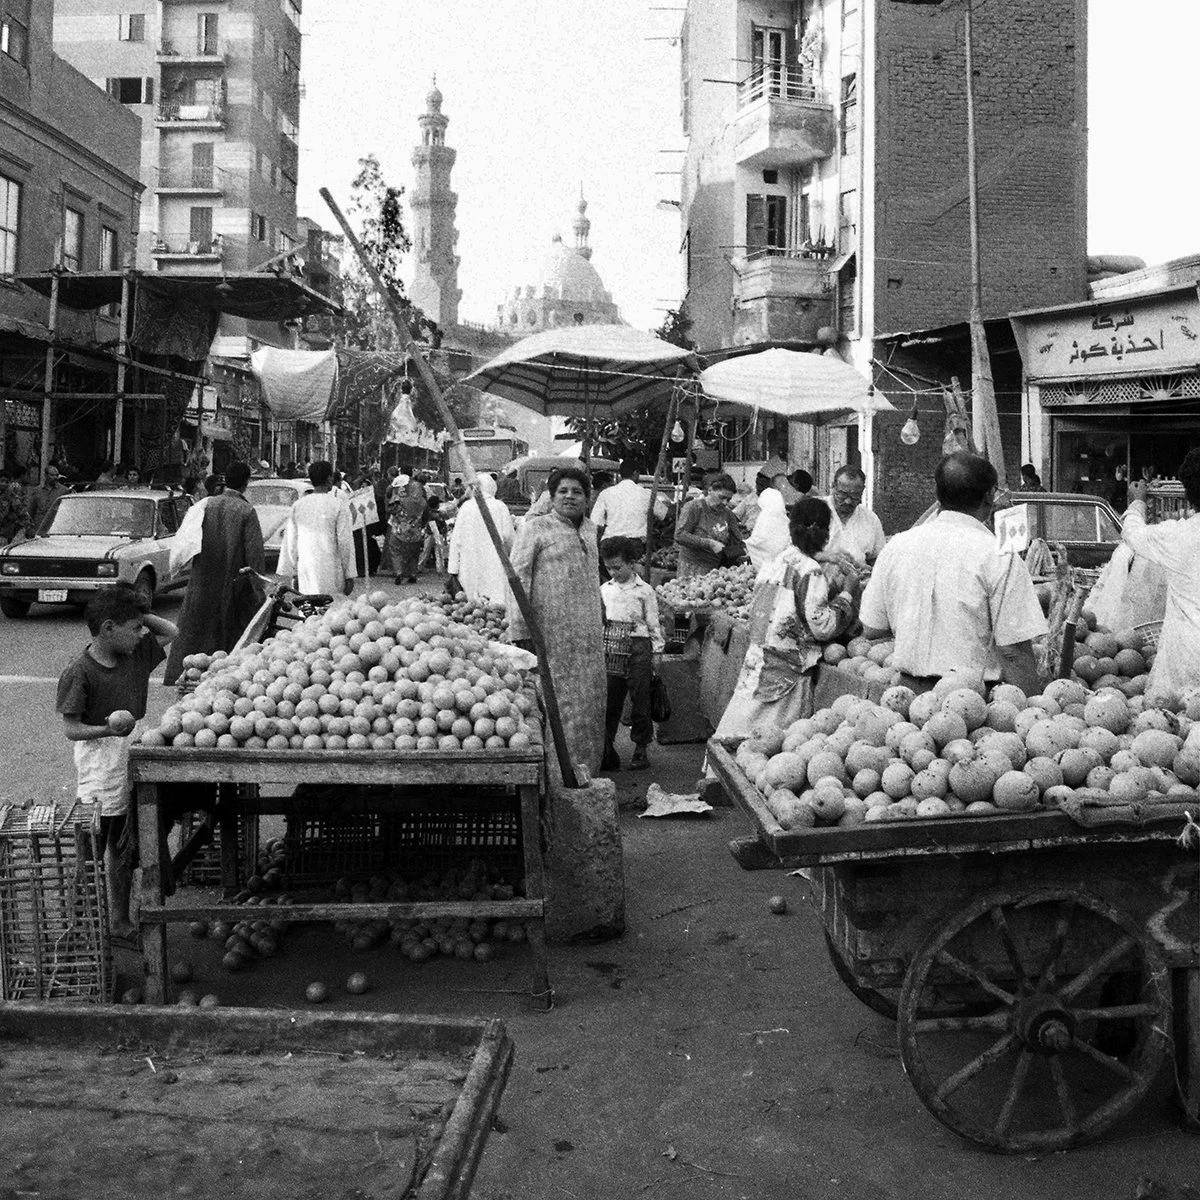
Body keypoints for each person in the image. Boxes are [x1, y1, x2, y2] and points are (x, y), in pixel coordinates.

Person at [859, 451, 1047, 694]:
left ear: (937, 495)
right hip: (973, 704)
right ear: (990, 496)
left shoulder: (896, 546)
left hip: (907, 699)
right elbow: (1013, 652)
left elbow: (872, 628)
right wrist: (1034, 711)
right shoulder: (999, 556)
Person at [56, 584, 178, 940]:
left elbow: (172, 631)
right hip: (100, 758)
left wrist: (138, 613)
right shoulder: (79, 671)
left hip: (132, 748)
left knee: (123, 846)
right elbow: (71, 729)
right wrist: (106, 729)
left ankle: (120, 919)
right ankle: (78, 921)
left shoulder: (136, 653)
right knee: (95, 843)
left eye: (142, 627)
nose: (143, 634)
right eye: (135, 628)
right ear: (108, 628)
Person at [715, 498, 859, 740]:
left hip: (760, 657)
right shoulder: (811, 570)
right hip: (787, 667)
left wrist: (826, 559)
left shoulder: (774, 561)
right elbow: (822, 626)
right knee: (773, 739)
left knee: (744, 720)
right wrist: (848, 592)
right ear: (824, 534)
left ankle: (720, 768)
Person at [508, 465, 605, 778]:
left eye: (577, 492)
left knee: (590, 700)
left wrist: (601, 609)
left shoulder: (590, 529)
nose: (570, 497)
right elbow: (518, 578)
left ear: (587, 498)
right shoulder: (536, 528)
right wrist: (521, 628)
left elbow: (591, 576)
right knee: (557, 700)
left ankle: (589, 768)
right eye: (562, 491)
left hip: (588, 634)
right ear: (551, 496)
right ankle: (556, 773)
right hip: (551, 631)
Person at [163, 461, 266, 685]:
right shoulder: (246, 510)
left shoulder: (205, 505)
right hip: (233, 582)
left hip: (202, 579)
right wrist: (259, 588)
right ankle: (223, 681)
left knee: (196, 629)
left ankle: (184, 677)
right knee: (232, 637)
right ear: (246, 483)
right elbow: (255, 556)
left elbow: (185, 542)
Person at [1121, 450, 1200, 695]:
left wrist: (1137, 502)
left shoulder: (1179, 535)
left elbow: (1132, 533)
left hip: (1189, 656)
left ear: (1187, 493)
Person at [600, 536, 664, 772]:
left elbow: (654, 625)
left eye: (618, 567)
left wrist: (656, 654)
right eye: (608, 567)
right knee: (610, 702)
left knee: (641, 701)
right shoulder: (604, 590)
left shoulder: (644, 591)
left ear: (631, 563)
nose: (613, 572)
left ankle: (640, 748)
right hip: (612, 649)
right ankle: (607, 749)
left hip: (638, 649)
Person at [277, 460, 356, 598]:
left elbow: (291, 542)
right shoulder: (338, 505)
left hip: (306, 569)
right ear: (329, 478)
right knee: (333, 614)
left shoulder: (299, 505)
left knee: (309, 613)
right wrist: (349, 574)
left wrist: (294, 572)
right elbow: (345, 542)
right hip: (332, 569)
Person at [447, 475, 515, 603]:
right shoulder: (500, 507)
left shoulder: (466, 507)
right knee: (495, 608)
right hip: (495, 565)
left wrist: (453, 570)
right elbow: (508, 537)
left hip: (469, 564)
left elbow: (456, 541)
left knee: (470, 607)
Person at [590, 458, 668, 562]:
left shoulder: (606, 493)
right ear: (635, 473)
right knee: (631, 575)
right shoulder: (646, 494)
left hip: (609, 543)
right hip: (634, 544)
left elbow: (596, 522)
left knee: (612, 574)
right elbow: (664, 514)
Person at [673, 472, 745, 577]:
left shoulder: (728, 514)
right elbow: (679, 535)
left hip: (716, 571)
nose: (725, 503)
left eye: (728, 499)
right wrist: (709, 543)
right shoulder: (694, 508)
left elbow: (737, 539)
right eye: (721, 497)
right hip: (691, 569)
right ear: (710, 490)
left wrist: (743, 550)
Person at [821, 465, 885, 569]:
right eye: (842, 494)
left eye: (855, 496)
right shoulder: (814, 510)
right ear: (833, 487)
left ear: (862, 491)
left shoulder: (870, 519)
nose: (848, 501)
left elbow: (878, 558)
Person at [388, 473, 427, 584]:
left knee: (396, 551)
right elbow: (426, 514)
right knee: (414, 553)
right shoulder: (422, 499)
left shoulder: (398, 491)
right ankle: (413, 574)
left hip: (399, 528)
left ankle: (399, 572)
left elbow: (390, 506)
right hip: (415, 529)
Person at [745, 483, 792, 570]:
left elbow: (758, 541)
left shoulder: (765, 517)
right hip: (782, 566)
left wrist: (745, 544)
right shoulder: (785, 519)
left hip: (763, 567)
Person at [24, 464, 69, 535]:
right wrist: (29, 529)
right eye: (52, 475)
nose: (55, 478)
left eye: (56, 475)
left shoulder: (64, 491)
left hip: (56, 528)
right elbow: (31, 511)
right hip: (39, 529)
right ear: (46, 475)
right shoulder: (37, 491)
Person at [419, 493, 449, 574]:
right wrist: (445, 535)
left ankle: (420, 567)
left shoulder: (428, 513)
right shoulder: (440, 514)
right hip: (438, 534)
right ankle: (440, 568)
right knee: (439, 552)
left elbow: (424, 522)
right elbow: (444, 525)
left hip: (429, 533)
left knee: (426, 551)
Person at [1, 474, 31, 545]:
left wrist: (29, 530)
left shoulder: (11, 497)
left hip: (3, 536)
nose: (4, 484)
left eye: (7, 482)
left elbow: (23, 514)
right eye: (2, 481)